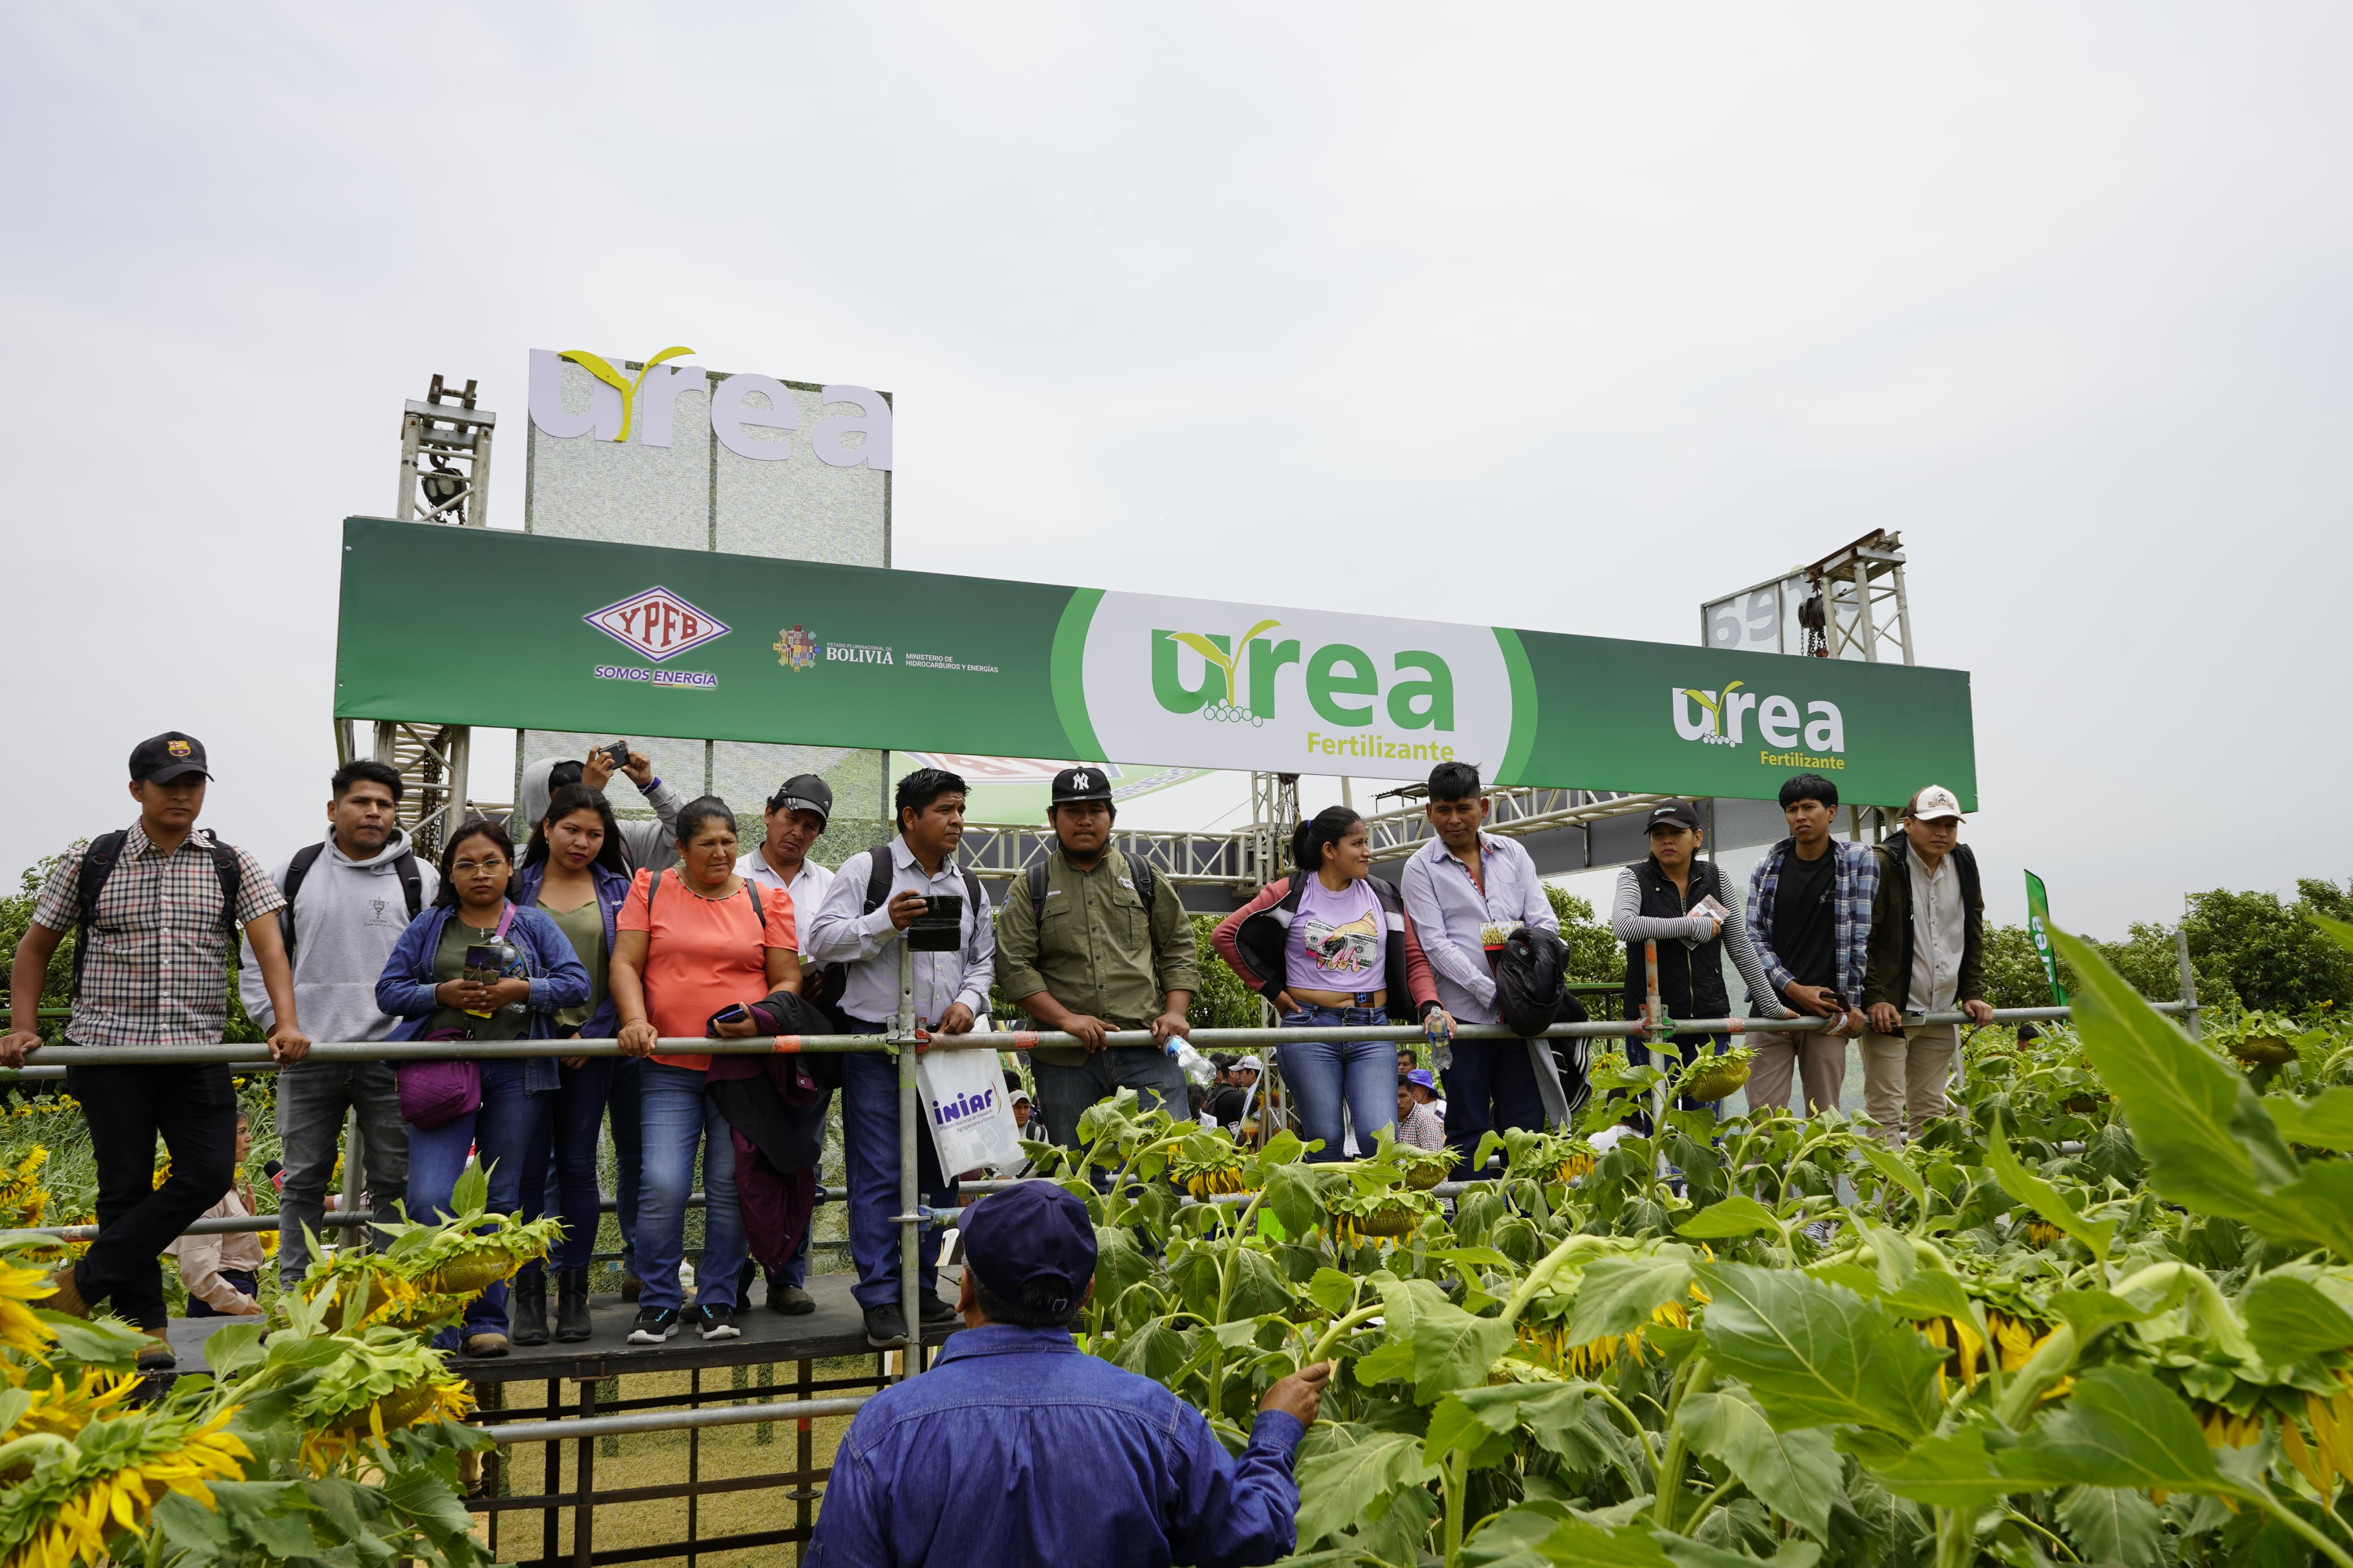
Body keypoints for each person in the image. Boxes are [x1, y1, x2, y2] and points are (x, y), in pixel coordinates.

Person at [807, 1181, 1329, 1568]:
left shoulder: (886, 1431)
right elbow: (1255, 1531)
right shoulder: (1153, 1419)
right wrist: (1275, 1432)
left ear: (963, 1291)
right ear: (1087, 1294)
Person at [1, 733, 303, 1371]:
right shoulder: (91, 860)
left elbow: (270, 948)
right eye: (168, 784)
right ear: (137, 789)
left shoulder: (231, 863)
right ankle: (148, 1330)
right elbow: (35, 948)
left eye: (193, 783)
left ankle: (83, 1284)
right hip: (109, 1051)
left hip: (195, 1050)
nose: (182, 795)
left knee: (211, 1172)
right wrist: (24, 1026)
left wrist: (286, 1022)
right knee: (124, 1186)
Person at [376, 818, 589, 1357]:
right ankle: (437, 1322)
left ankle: (486, 1319)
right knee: (430, 1196)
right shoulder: (430, 925)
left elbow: (576, 984)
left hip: (517, 1071)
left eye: (491, 862)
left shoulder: (533, 924)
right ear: (450, 873)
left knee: (499, 1199)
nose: (480, 873)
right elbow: (389, 991)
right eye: (466, 864)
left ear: (510, 868)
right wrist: (441, 993)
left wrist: (522, 989)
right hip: (445, 1068)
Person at [807, 768, 996, 1350]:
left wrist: (967, 1003)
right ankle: (881, 1297)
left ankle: (920, 1285)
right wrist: (883, 922)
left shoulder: (969, 884)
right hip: (878, 1047)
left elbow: (982, 960)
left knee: (941, 1173)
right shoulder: (868, 870)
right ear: (909, 817)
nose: (957, 821)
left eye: (960, 809)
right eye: (944, 810)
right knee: (879, 1173)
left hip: (943, 1050)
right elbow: (820, 940)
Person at [239, 759, 437, 1295]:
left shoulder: (420, 877)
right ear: (333, 808)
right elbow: (258, 956)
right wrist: (274, 1023)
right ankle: (295, 1298)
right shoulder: (294, 871)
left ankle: (387, 1295)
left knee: (394, 1181)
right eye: (361, 801)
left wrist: (418, 1036)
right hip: (309, 1052)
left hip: (393, 1055)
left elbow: (439, 962)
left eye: (385, 804)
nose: (374, 812)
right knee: (302, 1180)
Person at [613, 796, 801, 1346]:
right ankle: (658, 1302)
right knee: (662, 1183)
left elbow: (787, 979)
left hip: (740, 1068)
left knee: (730, 1183)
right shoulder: (650, 887)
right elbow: (625, 962)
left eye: (728, 841)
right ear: (680, 846)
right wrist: (635, 1020)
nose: (720, 852)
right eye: (706, 843)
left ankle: (718, 1298)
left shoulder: (767, 899)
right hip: (666, 1065)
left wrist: (759, 1017)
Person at [1213, 808, 1451, 1164]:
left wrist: (1431, 1006)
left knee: (1380, 1140)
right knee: (1325, 1141)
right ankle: (1331, 1204)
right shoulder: (1291, 891)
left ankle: (1381, 1204)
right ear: (1329, 850)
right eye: (1358, 843)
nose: (1368, 851)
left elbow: (1414, 958)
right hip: (1309, 1027)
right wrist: (1273, 991)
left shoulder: (1383, 894)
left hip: (1372, 1027)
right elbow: (1226, 936)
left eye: (1366, 842)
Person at [995, 767, 1200, 1150]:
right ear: (1053, 817)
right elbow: (1014, 966)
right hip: (1065, 1059)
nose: (1085, 820)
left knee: (1169, 1161)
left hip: (1147, 1049)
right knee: (1078, 1171)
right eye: (1072, 811)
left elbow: (1178, 946)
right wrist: (1066, 1019)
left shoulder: (1144, 875)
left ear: (1112, 817)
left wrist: (1176, 1012)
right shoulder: (1031, 885)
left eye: (1095, 810)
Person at [513, 783, 632, 1344]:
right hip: (525, 1047)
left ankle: (574, 1292)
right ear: (546, 828)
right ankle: (528, 1294)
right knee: (527, 1171)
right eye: (571, 830)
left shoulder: (619, 890)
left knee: (579, 1166)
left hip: (592, 1048)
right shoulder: (516, 885)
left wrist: (597, 1031)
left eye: (594, 834)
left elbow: (628, 967)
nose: (582, 842)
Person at [1399, 762, 1559, 1174]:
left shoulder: (1514, 853)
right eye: (1443, 809)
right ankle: (1473, 1210)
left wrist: (1524, 986)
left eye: (1464, 808)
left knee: (1524, 1127)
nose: (1454, 819)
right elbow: (1435, 944)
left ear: (1483, 807)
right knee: (1467, 1127)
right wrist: (1493, 992)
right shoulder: (1419, 867)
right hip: (1463, 1021)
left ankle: (1524, 1210)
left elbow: (1545, 923)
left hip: (1521, 1019)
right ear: (1429, 813)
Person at [732, 772, 839, 1315]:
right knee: (738, 1163)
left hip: (804, 1042)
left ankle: (788, 1276)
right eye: (791, 818)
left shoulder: (831, 883)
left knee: (801, 1158)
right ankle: (729, 1279)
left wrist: (825, 978)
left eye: (811, 826)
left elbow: (845, 949)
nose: (798, 832)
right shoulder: (730, 871)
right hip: (740, 1039)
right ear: (769, 813)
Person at [1611, 799, 1783, 1111]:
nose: (1667, 841)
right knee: (1657, 1117)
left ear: (1697, 837)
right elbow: (1625, 926)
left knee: (1705, 1118)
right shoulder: (1634, 876)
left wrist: (1772, 1007)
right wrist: (1693, 926)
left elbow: (1740, 945)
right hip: (1651, 1020)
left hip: (1708, 1018)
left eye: (1677, 833)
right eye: (1658, 834)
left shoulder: (1716, 877)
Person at [1860, 785, 1993, 1144]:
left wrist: (1972, 992)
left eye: (1950, 825)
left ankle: (1927, 1183)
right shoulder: (1883, 862)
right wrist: (1874, 997)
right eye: (1933, 823)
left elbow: (1972, 929)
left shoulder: (1963, 862)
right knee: (1884, 1111)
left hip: (1940, 1009)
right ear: (1908, 824)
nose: (1942, 832)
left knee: (1932, 1111)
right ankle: (1884, 1185)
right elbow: (1862, 937)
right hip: (1891, 1014)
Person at [1743, 774, 1879, 1120]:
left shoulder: (1857, 860)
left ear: (1831, 812)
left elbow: (1862, 935)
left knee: (1825, 1119)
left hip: (1829, 1013)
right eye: (1792, 810)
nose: (1800, 816)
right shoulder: (1766, 867)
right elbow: (1753, 937)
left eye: (1809, 807)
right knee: (1763, 1119)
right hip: (1771, 1009)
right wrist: (1793, 989)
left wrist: (1854, 1003)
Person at [514, 745, 685, 875]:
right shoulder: (517, 863)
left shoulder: (625, 840)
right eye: (564, 801)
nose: (582, 844)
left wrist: (650, 785)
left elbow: (687, 831)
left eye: (594, 835)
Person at [167, 1111, 266, 1319]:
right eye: (241, 1131)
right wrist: (239, 1303)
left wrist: (248, 1217)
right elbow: (196, 1268)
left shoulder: (223, 1186)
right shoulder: (207, 1190)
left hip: (236, 1290)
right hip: (225, 1296)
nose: (250, 1138)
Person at [1204, 1055, 1262, 1138]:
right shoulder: (1238, 1098)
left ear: (1252, 1074)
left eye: (1240, 1073)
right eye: (1237, 1073)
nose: (1238, 1077)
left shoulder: (1213, 1094)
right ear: (1232, 1073)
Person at [1395, 1069, 1446, 1152]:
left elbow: (1443, 1136)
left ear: (1427, 1089)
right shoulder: (1400, 1112)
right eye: (1411, 1085)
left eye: (1416, 1085)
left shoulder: (1437, 1108)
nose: (1413, 1088)